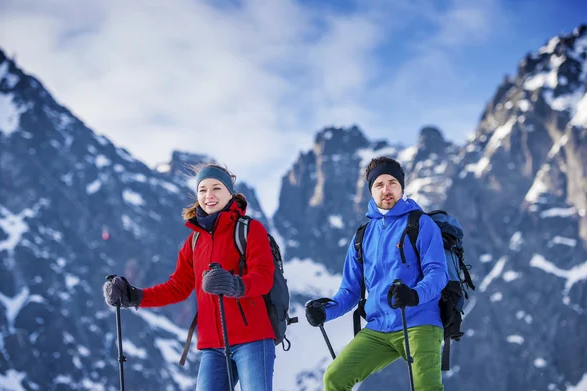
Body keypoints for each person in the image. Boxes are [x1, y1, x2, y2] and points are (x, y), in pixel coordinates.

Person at [103, 163, 276, 391]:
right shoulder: (194, 242)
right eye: (202, 190)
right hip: (213, 347)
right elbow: (178, 287)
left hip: (253, 340)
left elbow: (264, 277)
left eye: (216, 188)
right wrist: (135, 296)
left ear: (229, 193)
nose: (209, 195)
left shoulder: (250, 229)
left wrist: (234, 285)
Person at [305, 156, 448, 391]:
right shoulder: (362, 236)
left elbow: (437, 273)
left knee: (427, 388)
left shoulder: (420, 224)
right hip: (378, 328)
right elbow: (349, 291)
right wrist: (324, 311)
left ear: (402, 186)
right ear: (371, 191)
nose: (386, 189)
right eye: (379, 184)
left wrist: (414, 294)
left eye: (392, 182)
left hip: (419, 322)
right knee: (335, 378)